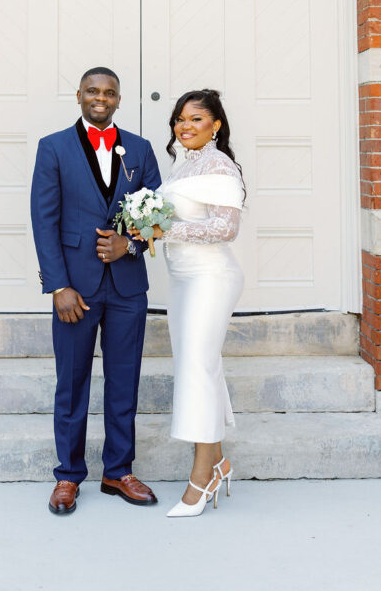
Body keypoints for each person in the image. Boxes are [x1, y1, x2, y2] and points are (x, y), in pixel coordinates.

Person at [30, 67, 161, 516]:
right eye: (92, 91)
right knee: (72, 384)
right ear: (79, 96)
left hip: (127, 287)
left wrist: (133, 243)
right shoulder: (54, 148)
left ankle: (117, 470)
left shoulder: (140, 150)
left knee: (124, 382)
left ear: (119, 99)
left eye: (109, 93)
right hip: (76, 290)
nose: (100, 98)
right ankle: (68, 475)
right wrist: (58, 286)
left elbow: (158, 213)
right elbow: (44, 220)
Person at [132, 89, 245, 517]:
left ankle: (201, 477)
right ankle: (218, 463)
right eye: (180, 119)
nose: (185, 126)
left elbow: (224, 228)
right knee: (199, 367)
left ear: (215, 124)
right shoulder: (184, 164)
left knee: (199, 367)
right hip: (182, 281)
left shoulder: (218, 163)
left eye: (196, 119)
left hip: (211, 277)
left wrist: (163, 231)